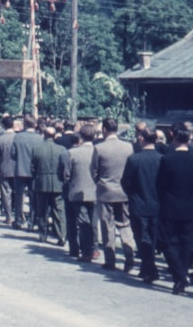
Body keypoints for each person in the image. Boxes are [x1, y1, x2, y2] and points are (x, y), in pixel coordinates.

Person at [157, 123, 193, 294]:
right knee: (186, 243)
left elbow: (160, 185)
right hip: (189, 207)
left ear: (175, 138)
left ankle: (180, 275)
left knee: (167, 242)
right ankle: (181, 276)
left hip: (170, 206)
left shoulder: (167, 160)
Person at [92, 117, 136, 272]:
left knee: (107, 226)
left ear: (104, 129)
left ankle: (110, 260)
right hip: (124, 191)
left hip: (105, 191)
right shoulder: (128, 147)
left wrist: (100, 182)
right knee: (125, 225)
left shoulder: (99, 148)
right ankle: (129, 258)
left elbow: (94, 171)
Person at [120, 128, 162, 283]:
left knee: (142, 237)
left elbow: (125, 182)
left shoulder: (134, 159)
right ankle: (147, 267)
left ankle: (150, 268)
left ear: (143, 139)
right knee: (152, 237)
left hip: (138, 203)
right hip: (157, 204)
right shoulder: (161, 158)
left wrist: (132, 194)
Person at [59, 124, 98, 261]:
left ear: (81, 136)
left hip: (76, 191)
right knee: (93, 221)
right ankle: (94, 248)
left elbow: (65, 175)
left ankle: (81, 250)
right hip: (95, 191)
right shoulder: (98, 151)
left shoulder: (72, 153)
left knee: (80, 222)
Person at [31, 125, 67, 245]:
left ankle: (43, 234)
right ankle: (62, 235)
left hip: (41, 183)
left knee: (42, 210)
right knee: (59, 211)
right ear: (55, 135)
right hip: (58, 183)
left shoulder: (36, 149)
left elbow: (32, 168)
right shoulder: (62, 149)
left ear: (44, 135)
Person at [11, 115, 41, 230]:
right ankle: (32, 221)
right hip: (34, 172)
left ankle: (18, 219)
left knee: (19, 196)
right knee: (33, 197)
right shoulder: (39, 138)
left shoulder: (18, 137)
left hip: (20, 170)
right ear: (35, 125)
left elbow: (13, 155)